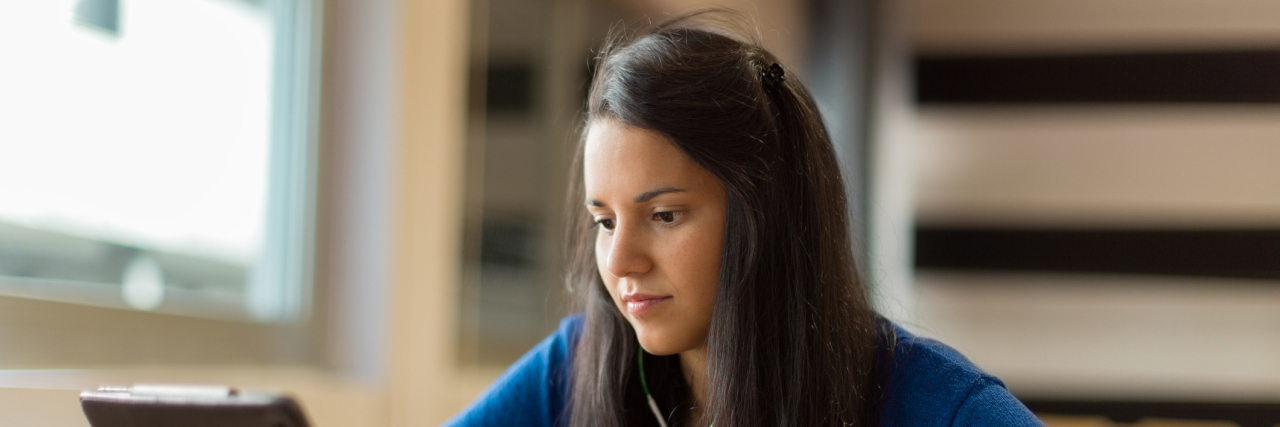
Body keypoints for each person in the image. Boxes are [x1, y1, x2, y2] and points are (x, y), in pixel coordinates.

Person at [447, 10, 1042, 427]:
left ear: (766, 216)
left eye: (664, 215)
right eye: (604, 222)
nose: (621, 261)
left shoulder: (935, 404)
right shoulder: (577, 367)